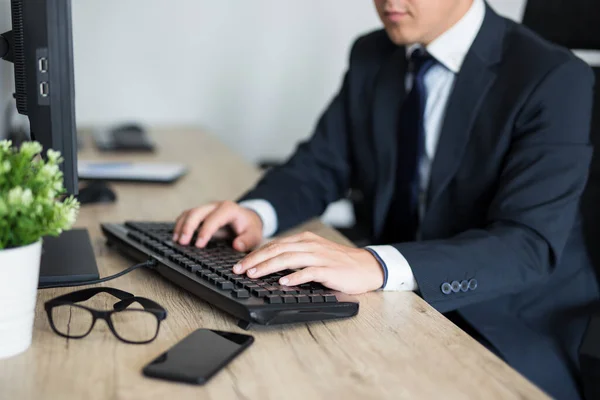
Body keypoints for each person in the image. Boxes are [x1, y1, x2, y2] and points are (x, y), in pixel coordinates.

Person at [173, 0, 599, 398]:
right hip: (394, 306)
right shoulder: (373, 53)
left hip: (507, 321)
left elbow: (526, 245)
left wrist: (376, 264)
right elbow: (322, 165)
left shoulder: (554, 77)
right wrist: (256, 212)